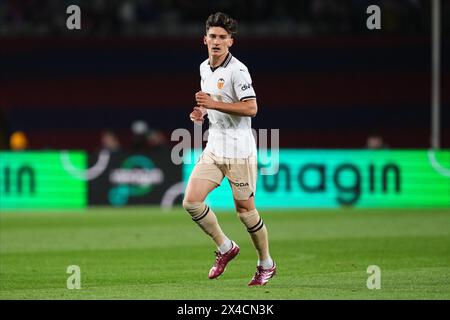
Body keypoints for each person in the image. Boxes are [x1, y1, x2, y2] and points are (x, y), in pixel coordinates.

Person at [183, 12, 276, 286]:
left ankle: (266, 263)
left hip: (239, 151)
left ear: (230, 42)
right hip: (215, 147)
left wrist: (212, 105)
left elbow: (251, 107)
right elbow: (210, 102)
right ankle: (226, 247)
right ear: (204, 39)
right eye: (212, 36)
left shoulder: (239, 70)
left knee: (245, 211)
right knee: (191, 201)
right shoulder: (203, 67)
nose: (216, 41)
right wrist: (200, 112)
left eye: (222, 37)